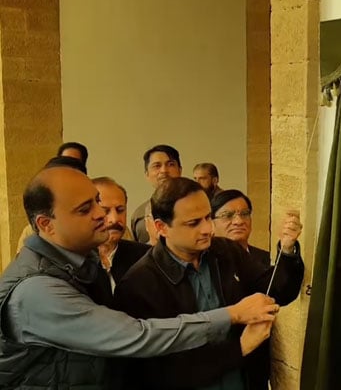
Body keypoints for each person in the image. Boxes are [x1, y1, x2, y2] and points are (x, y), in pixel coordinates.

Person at [0, 166, 280, 388]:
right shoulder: (38, 290)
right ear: (46, 225)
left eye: (98, 202)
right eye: (85, 209)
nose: (103, 215)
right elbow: (137, 336)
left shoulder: (84, 262)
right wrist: (232, 316)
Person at [114, 178, 304, 389]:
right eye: (193, 223)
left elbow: (275, 291)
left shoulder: (225, 251)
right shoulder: (139, 283)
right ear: (162, 227)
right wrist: (239, 347)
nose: (207, 229)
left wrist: (287, 251)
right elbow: (158, 369)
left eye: (207, 218)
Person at [211, 189, 280, 389]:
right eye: (228, 215)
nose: (239, 221)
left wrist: (287, 249)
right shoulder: (207, 265)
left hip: (259, 363)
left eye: (244, 214)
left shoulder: (264, 259)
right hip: (223, 362)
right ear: (211, 223)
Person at [93, 177, 151, 288]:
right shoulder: (76, 261)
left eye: (120, 210)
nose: (114, 219)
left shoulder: (146, 257)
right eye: (105, 211)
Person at [131, 145, 182, 243]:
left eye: (170, 164)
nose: (164, 171)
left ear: (180, 170)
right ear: (147, 174)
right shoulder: (139, 216)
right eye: (157, 166)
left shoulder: (200, 207)